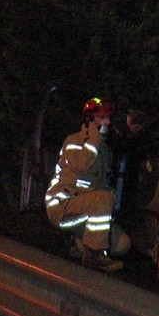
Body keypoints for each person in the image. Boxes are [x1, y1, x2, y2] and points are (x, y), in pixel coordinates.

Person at [44, 97, 131, 273]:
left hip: (83, 209)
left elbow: (102, 184)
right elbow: (82, 165)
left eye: (108, 117)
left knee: (123, 245)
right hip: (62, 204)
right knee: (103, 199)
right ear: (89, 120)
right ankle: (93, 255)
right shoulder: (74, 141)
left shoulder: (103, 150)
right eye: (101, 118)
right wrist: (93, 136)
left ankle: (78, 243)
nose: (107, 122)